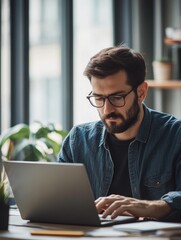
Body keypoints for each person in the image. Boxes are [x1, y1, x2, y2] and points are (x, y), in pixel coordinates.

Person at [58, 44, 181, 222]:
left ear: (141, 92)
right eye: (99, 98)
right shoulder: (78, 140)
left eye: (117, 97)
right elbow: (57, 201)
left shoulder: (175, 135)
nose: (107, 109)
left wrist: (150, 206)